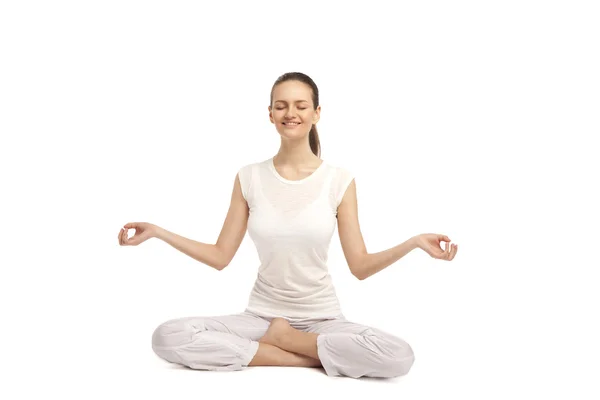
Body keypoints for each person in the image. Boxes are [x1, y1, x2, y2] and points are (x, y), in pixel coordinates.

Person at [117, 72, 458, 379]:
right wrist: (159, 233)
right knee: (168, 336)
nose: (290, 113)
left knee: (399, 356)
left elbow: (360, 266)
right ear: (270, 114)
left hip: (322, 320)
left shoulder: (339, 180)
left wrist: (413, 242)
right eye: (280, 106)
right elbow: (221, 256)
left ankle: (288, 343)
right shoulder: (248, 177)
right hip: (260, 320)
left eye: (300, 105)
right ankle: (302, 359)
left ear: (316, 113)